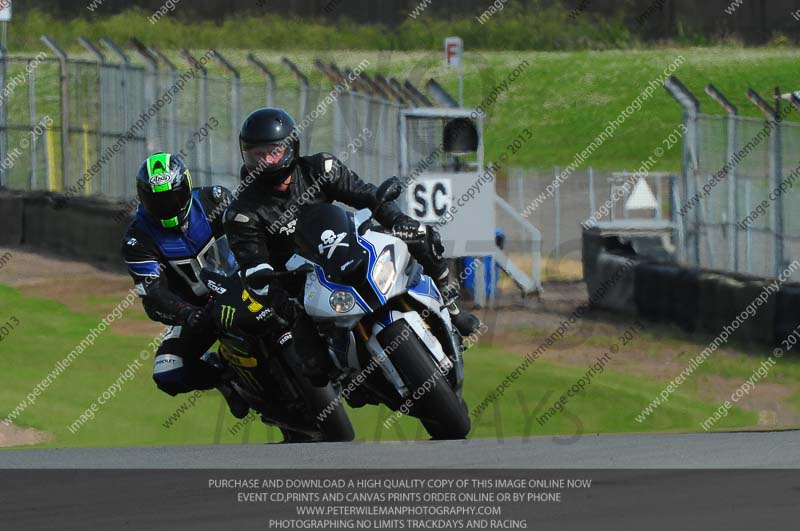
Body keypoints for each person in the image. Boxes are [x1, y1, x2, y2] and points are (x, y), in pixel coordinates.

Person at [222, 108, 481, 376]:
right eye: (258, 155)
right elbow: (254, 270)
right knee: (316, 370)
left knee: (421, 234)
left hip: (350, 246)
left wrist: (397, 219)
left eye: (273, 151)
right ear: (246, 155)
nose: (266, 160)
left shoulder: (320, 168)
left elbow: (367, 196)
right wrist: (282, 301)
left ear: (290, 148)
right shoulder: (242, 212)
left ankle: (451, 308)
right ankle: (350, 376)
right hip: (300, 281)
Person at [121, 152, 248, 419]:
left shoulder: (215, 199)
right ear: (143, 198)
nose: (168, 205)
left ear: (187, 187)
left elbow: (251, 234)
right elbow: (153, 291)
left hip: (243, 287)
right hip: (195, 311)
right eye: (157, 200)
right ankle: (225, 378)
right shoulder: (138, 238)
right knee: (167, 373)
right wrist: (187, 313)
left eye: (173, 196)